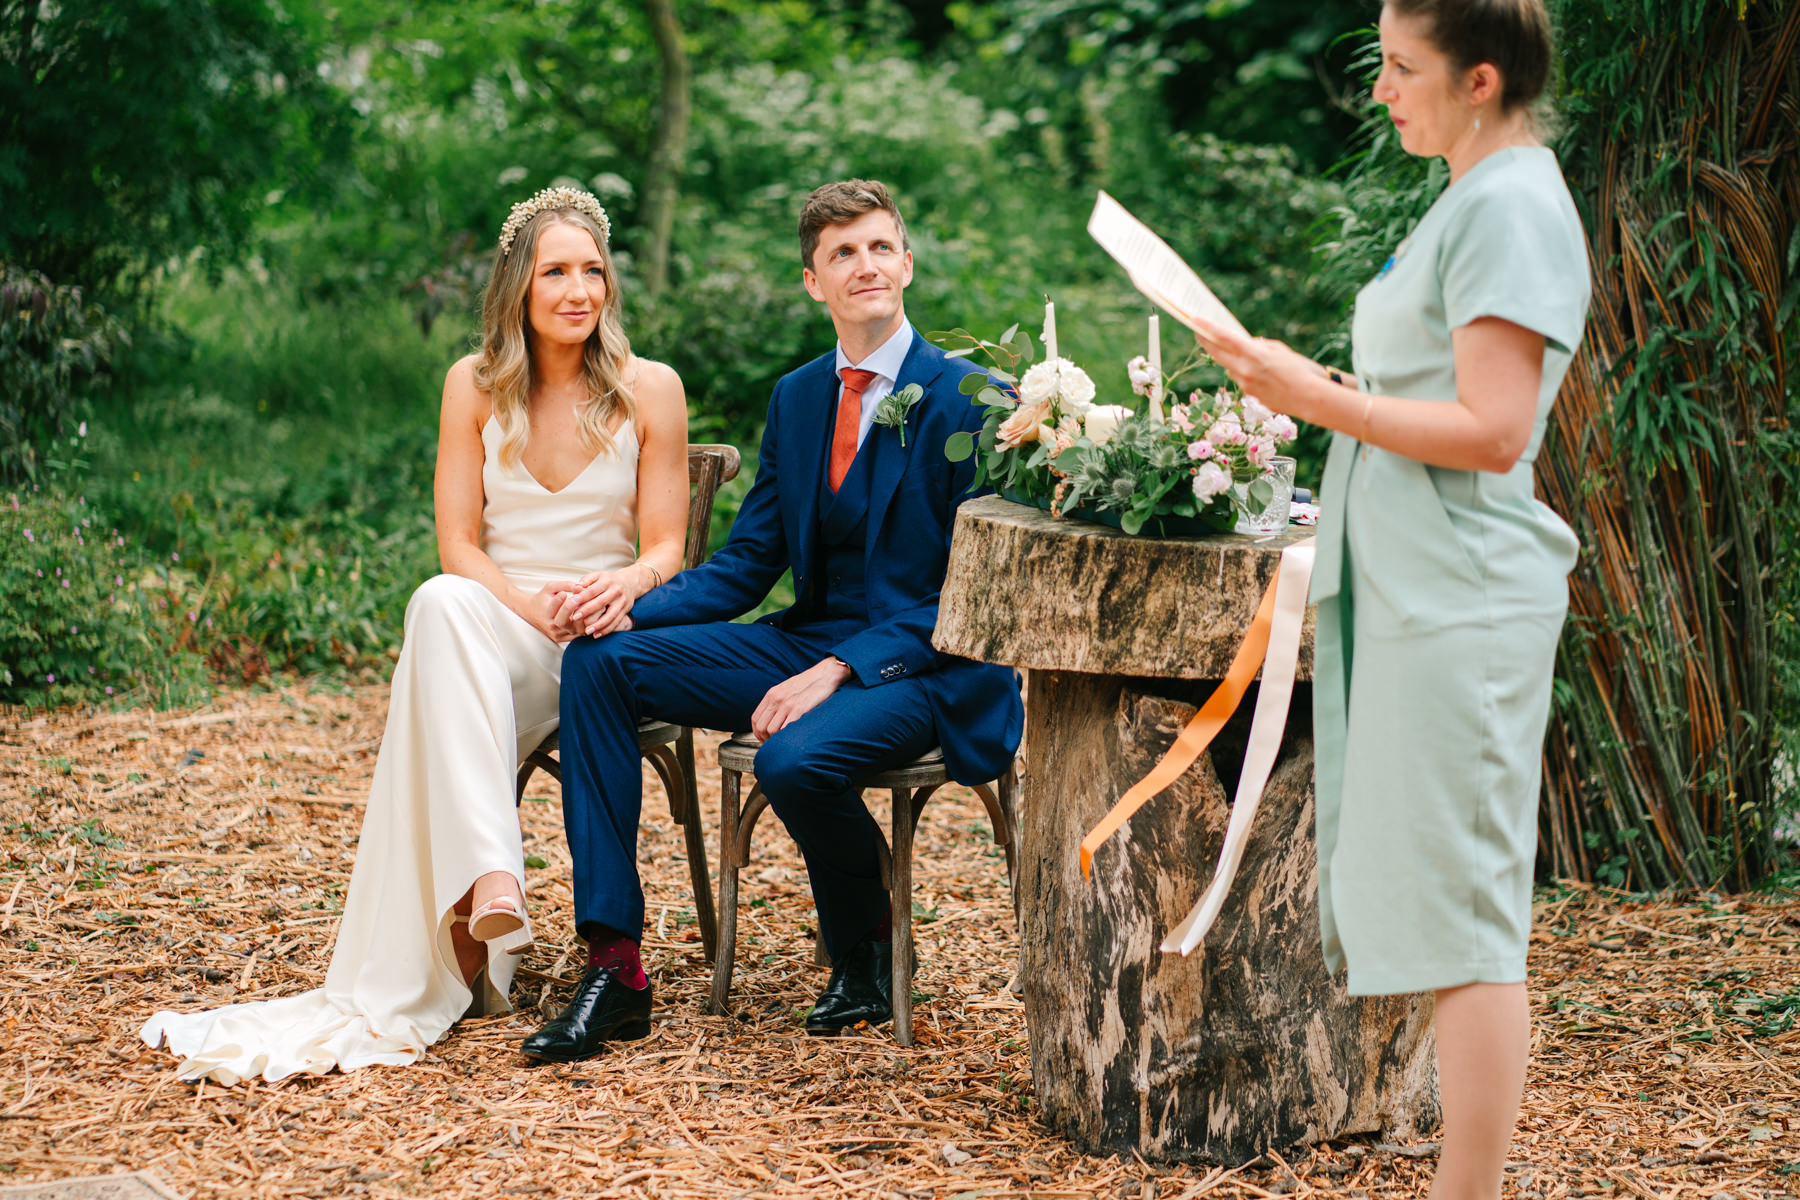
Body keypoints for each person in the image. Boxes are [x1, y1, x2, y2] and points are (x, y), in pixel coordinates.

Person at [141, 187, 690, 1083]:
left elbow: (666, 545)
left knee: (445, 628)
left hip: (595, 643)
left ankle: (483, 890)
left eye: (593, 270)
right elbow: (460, 546)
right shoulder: (471, 385)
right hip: (499, 624)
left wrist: (625, 583)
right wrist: (526, 605)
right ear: (519, 284)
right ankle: (491, 882)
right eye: (556, 270)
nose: (578, 289)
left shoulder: (649, 389)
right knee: (439, 600)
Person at [1193, 3, 1588, 1198]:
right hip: (1418, 583)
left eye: (1402, 69)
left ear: (1480, 79)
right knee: (1442, 904)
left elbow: (1496, 429)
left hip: (1465, 596)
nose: (1380, 91)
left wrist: (1312, 395)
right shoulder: (1465, 197)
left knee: (1470, 920)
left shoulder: (1513, 204)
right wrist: (1316, 391)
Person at [520, 178, 1023, 1062]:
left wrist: (837, 672)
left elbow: (977, 597)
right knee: (599, 663)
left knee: (795, 758)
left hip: (931, 667)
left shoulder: (978, 399)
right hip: (804, 638)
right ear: (813, 282)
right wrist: (629, 607)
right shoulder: (797, 398)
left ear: (906, 263)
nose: (863, 265)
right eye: (841, 254)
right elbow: (751, 564)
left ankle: (865, 947)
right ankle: (615, 965)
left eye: (878, 247)